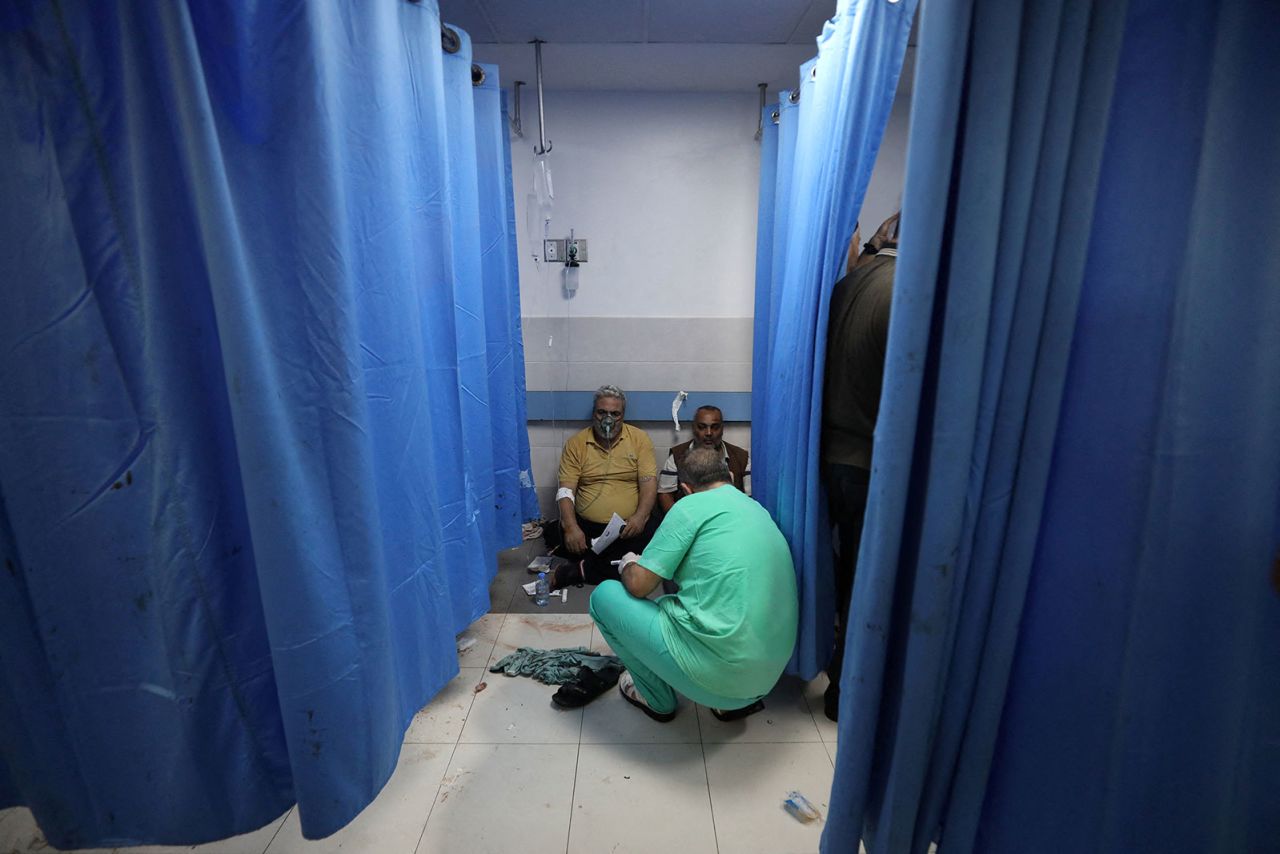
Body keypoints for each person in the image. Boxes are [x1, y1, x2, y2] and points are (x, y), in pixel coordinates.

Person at [588, 446, 798, 722]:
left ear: (686, 489)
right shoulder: (756, 509)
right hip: (768, 677)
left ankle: (657, 699)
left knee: (605, 595)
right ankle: (728, 703)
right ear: (731, 476)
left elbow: (640, 585)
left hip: (720, 680)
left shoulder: (688, 506)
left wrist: (629, 563)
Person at [819, 211, 899, 722]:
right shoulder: (904, 293)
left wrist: (869, 247)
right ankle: (847, 692)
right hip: (872, 464)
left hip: (831, 457)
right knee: (865, 580)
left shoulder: (847, 287)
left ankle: (831, 672)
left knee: (838, 571)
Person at [551, 385, 659, 589]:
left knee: (657, 539)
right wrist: (571, 527)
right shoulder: (577, 444)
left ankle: (582, 570)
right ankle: (616, 564)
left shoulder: (639, 439)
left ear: (623, 415)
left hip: (629, 527)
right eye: (602, 412)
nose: (607, 419)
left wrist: (641, 516)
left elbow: (648, 482)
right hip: (589, 528)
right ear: (594, 414)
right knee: (635, 562)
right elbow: (565, 491)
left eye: (614, 413)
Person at [656, 405, 751, 512]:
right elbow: (665, 494)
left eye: (715, 427)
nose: (709, 433)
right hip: (690, 519)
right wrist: (682, 520)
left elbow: (749, 498)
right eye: (702, 427)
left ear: (722, 429)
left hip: (728, 519)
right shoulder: (677, 455)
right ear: (693, 428)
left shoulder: (741, 457)